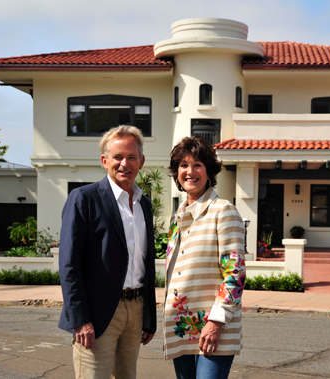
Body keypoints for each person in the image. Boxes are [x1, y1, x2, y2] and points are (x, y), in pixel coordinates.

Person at [58, 125, 157, 378]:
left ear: (141, 161)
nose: (125, 163)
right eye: (117, 157)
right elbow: (69, 264)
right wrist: (79, 318)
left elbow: (145, 262)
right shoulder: (83, 198)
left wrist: (148, 317)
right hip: (97, 314)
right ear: (105, 161)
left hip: (135, 310)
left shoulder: (144, 204)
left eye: (132, 157)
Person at [164, 136, 246, 379]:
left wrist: (216, 323)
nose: (190, 171)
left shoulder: (223, 210)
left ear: (209, 171)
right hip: (182, 328)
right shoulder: (177, 216)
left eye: (197, 164)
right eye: (183, 165)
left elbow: (235, 274)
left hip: (213, 330)